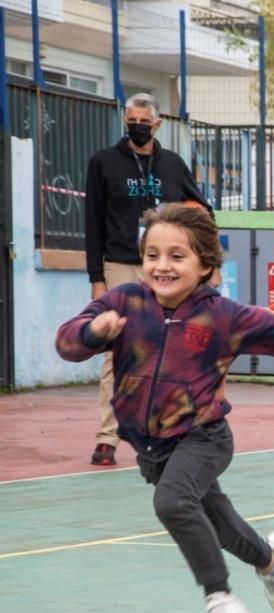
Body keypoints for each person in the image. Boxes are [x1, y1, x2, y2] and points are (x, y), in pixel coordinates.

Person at [56, 204, 274, 613]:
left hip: (204, 436)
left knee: (172, 503)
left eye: (177, 256)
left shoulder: (223, 316)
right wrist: (92, 332)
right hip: (152, 447)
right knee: (223, 527)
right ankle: (269, 560)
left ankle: (219, 596)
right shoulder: (126, 303)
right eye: (153, 255)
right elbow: (67, 340)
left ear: (205, 265)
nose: (162, 266)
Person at [84, 93, 211, 467]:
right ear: (125, 122)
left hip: (167, 268)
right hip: (121, 264)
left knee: (171, 348)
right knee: (115, 352)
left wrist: (206, 263)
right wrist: (96, 278)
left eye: (143, 120)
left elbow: (203, 211)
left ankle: (167, 430)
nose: (137, 125)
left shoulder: (172, 164)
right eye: (131, 120)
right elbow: (92, 222)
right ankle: (107, 438)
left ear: (157, 124)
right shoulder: (103, 162)